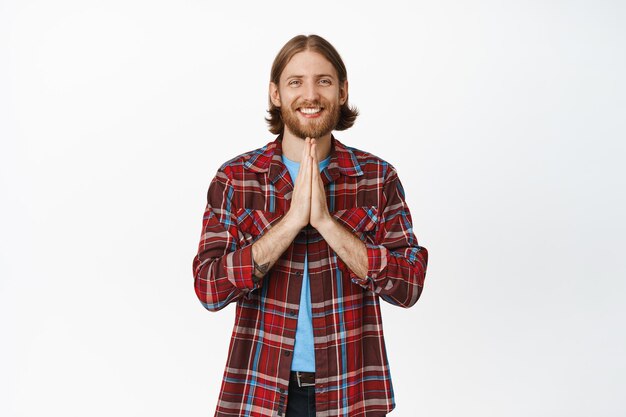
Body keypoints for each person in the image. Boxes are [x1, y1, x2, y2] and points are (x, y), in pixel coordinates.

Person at [192, 34, 428, 417]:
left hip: (351, 395)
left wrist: (325, 223)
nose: (310, 94)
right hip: (261, 392)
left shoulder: (376, 178)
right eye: (295, 82)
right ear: (275, 94)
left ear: (342, 91)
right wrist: (289, 224)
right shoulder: (236, 179)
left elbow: (409, 285)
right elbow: (208, 288)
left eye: (323, 80)